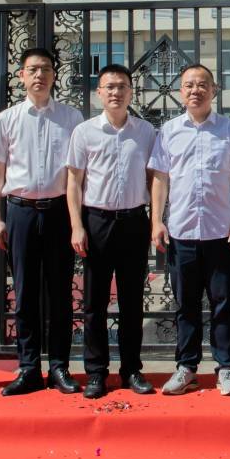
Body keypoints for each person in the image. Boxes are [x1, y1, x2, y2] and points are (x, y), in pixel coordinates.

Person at [149, 64, 230, 396]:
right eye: (189, 85)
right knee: (186, 304)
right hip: (181, 232)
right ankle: (187, 367)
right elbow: (160, 179)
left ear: (214, 90)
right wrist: (156, 220)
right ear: (180, 91)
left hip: (221, 231)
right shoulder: (168, 131)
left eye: (202, 84)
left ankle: (226, 368)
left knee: (223, 302)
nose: (196, 90)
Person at [0, 47, 83, 396]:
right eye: (33, 69)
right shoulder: (7, 119)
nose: (39, 75)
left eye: (45, 69)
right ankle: (28, 368)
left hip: (59, 212)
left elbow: (78, 174)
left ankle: (59, 367)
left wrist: (77, 222)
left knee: (60, 293)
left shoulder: (71, 118)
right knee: (25, 293)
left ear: (55, 75)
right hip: (20, 211)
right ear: (21, 76)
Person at [68, 64, 157, 399]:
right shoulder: (85, 132)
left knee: (132, 301)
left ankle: (131, 369)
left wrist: (156, 219)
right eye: (110, 87)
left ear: (131, 91)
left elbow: (154, 179)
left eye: (122, 86)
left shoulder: (145, 132)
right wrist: (77, 225)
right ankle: (96, 372)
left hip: (134, 221)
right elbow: (74, 182)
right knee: (95, 302)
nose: (116, 92)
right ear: (99, 93)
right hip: (97, 222)